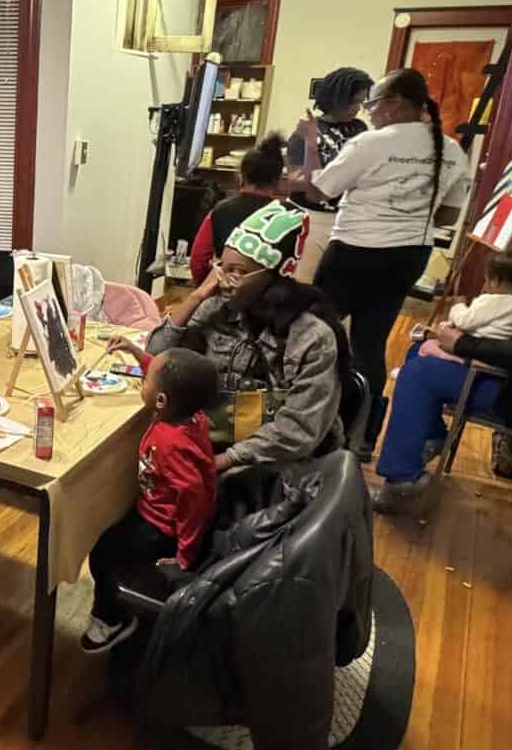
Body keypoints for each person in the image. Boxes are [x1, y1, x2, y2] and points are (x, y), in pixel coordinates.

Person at [291, 68, 472, 459]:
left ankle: (304, 418)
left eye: (372, 104)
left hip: (356, 250)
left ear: (393, 104)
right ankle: (363, 436)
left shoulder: (371, 143)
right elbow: (446, 216)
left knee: (312, 329)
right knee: (370, 343)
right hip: (409, 255)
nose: (369, 112)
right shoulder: (452, 150)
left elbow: (320, 191)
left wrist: (304, 156)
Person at [374, 197, 512, 511]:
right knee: (417, 353)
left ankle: (401, 479)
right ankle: (427, 440)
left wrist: (463, 344)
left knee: (419, 373)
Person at [129, 201, 350, 473]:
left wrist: (222, 462)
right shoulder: (215, 308)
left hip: (274, 462)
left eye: (240, 272)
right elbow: (156, 358)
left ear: (273, 276)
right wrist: (196, 297)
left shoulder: (311, 338)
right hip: (210, 443)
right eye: (223, 268)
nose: (225, 281)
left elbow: (299, 429)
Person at [81, 348, 219, 653]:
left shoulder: (171, 444)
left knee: (103, 554)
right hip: (158, 509)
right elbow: (163, 377)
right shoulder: (190, 415)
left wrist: (184, 555)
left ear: (161, 401)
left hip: (162, 526)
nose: (143, 379)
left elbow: (194, 500)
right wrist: (135, 353)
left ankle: (110, 619)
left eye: (146, 380)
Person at [285, 67, 373, 283]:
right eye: (353, 101)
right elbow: (296, 182)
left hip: (349, 217)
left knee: (339, 285)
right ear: (336, 98)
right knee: (305, 282)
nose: (357, 108)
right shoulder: (307, 130)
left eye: (361, 102)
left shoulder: (359, 129)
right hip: (312, 217)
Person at [413, 246, 512, 363]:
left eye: (486, 280)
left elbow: (463, 321)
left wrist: (459, 304)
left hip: (476, 354)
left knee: (428, 346)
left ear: (495, 281)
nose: (485, 286)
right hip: (495, 352)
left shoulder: (493, 301)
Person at [189, 134, 286, 286]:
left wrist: (206, 287)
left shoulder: (219, 211)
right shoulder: (285, 217)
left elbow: (198, 261)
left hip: (225, 289)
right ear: (277, 180)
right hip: (269, 296)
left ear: (242, 176)